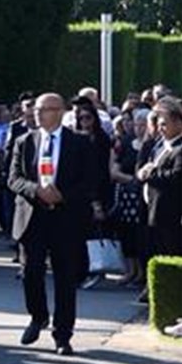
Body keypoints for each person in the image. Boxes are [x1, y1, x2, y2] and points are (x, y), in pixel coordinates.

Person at [6, 93, 94, 356]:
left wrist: (63, 194)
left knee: (65, 278)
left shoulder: (79, 143)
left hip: (65, 219)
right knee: (31, 272)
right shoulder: (25, 141)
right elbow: (13, 178)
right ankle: (38, 315)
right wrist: (36, 190)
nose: (37, 113)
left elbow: (90, 181)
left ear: (59, 111)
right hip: (33, 217)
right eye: (36, 109)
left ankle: (63, 334)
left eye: (44, 109)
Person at [71, 97, 114, 290]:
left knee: (94, 233)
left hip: (97, 192)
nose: (84, 122)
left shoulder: (101, 140)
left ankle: (94, 270)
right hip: (77, 194)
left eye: (88, 118)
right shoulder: (74, 138)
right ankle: (79, 272)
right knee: (78, 235)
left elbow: (99, 172)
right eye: (80, 118)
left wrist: (96, 201)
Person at [138, 100, 182, 262]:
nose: (160, 129)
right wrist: (143, 172)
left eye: (165, 124)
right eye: (159, 124)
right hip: (153, 208)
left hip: (170, 213)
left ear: (178, 123)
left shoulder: (181, 149)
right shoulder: (159, 147)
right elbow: (147, 166)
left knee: (170, 254)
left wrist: (150, 174)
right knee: (155, 252)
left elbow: (176, 176)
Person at [110, 110, 149, 287]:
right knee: (125, 233)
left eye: (143, 124)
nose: (139, 127)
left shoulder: (151, 145)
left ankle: (142, 272)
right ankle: (130, 270)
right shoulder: (125, 143)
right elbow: (114, 170)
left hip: (143, 196)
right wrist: (132, 179)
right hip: (125, 195)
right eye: (136, 124)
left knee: (140, 234)